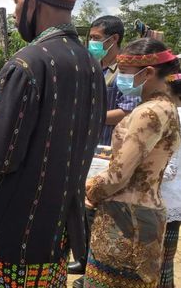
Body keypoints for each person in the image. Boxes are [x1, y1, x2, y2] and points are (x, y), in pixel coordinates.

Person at [0, 0, 106, 287]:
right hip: (55, 235)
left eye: (15, 2)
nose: (14, 14)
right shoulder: (91, 67)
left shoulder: (26, 64)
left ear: (31, 0)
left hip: (11, 236)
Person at [85, 39, 180, 288]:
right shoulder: (166, 107)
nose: (120, 79)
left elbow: (118, 175)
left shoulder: (149, 112)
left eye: (125, 73)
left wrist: (89, 189)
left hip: (127, 218)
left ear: (148, 72)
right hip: (142, 212)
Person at [68, 15, 141, 286]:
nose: (92, 42)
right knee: (81, 202)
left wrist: (93, 117)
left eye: (97, 38)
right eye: (92, 38)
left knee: (100, 207)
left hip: (110, 147)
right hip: (87, 144)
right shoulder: (91, 66)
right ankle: (84, 257)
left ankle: (97, 266)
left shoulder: (127, 72)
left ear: (114, 40)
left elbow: (128, 110)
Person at [159, 83, 181, 288]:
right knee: (165, 262)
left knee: (157, 263)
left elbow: (169, 169)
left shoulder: (173, 116)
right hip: (175, 199)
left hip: (163, 199)